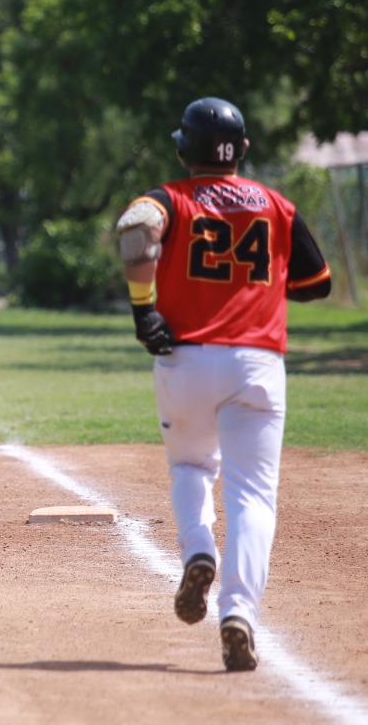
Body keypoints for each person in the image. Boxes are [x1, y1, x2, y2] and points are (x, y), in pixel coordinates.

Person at [114, 97, 331, 672]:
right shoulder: (277, 204)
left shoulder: (171, 198)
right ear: (245, 150)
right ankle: (240, 613)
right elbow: (317, 284)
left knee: (191, 468)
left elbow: (136, 229)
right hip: (258, 362)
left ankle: (198, 552)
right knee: (253, 496)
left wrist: (145, 311)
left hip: (184, 358)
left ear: (184, 147)